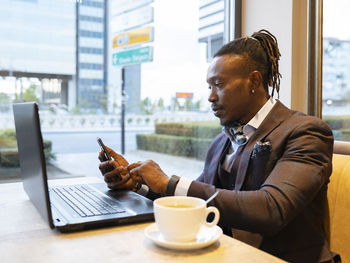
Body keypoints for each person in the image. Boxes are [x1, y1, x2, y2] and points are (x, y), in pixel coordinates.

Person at [99, 30, 337, 263]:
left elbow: (271, 209)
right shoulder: (221, 141)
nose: (211, 97)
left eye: (219, 84)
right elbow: (201, 198)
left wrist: (169, 182)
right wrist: (138, 184)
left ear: (253, 81)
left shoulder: (307, 132)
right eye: (209, 87)